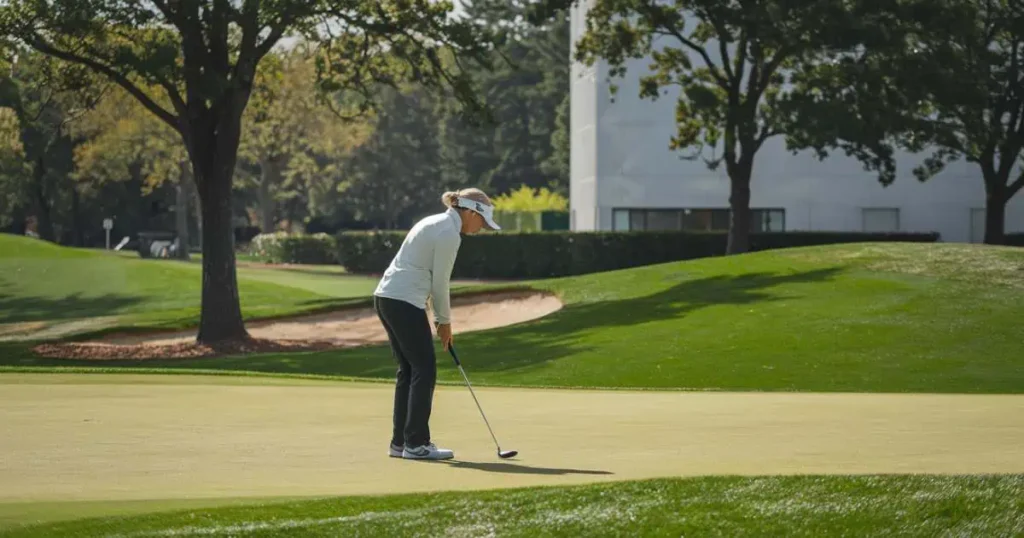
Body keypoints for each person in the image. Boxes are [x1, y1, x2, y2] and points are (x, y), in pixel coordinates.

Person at [373, 187, 501, 460]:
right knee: (424, 369)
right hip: (403, 301)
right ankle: (416, 444)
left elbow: (428, 278)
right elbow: (440, 284)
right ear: (470, 212)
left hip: (387, 297)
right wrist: (445, 323)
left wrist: (437, 318)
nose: (482, 229)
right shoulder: (448, 233)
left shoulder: (434, 222)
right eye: (482, 222)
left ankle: (401, 443)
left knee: (409, 371)